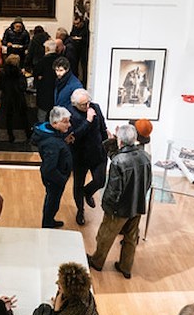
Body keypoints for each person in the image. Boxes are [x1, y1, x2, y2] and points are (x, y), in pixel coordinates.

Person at [87, 124, 152, 278]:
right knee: (131, 238)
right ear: (135, 139)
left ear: (120, 141)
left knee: (105, 235)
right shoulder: (145, 157)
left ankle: (97, 261)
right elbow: (148, 182)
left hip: (119, 209)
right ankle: (126, 267)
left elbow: (113, 190)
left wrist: (107, 207)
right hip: (138, 204)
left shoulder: (118, 162)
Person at [68, 89, 109, 226]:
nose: (87, 106)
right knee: (78, 184)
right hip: (80, 155)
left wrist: (107, 143)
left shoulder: (95, 107)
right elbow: (74, 135)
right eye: (83, 105)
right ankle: (80, 210)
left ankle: (88, 192)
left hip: (98, 152)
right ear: (75, 104)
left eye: (88, 102)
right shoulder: (70, 113)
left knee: (100, 181)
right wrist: (88, 120)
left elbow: (102, 127)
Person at [31, 106, 72, 228]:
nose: (69, 125)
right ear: (55, 123)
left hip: (56, 176)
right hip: (55, 178)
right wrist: (62, 179)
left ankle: (50, 220)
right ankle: (47, 225)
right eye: (65, 122)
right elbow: (49, 169)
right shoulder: (51, 143)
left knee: (53, 200)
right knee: (52, 201)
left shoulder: (52, 135)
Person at [0, 54, 31, 143]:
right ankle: (28, 133)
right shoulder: (20, 73)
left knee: (9, 117)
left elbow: (0, 85)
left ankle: (10, 136)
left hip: (7, 97)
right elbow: (23, 86)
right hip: (18, 97)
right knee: (24, 116)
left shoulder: (2, 72)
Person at [33, 39, 60, 122]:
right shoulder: (60, 60)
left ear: (47, 49)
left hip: (44, 92)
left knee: (42, 115)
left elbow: (36, 73)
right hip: (57, 93)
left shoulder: (43, 61)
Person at [70, 15, 90, 86]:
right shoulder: (74, 27)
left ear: (82, 22)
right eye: (74, 24)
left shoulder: (87, 27)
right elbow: (71, 35)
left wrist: (81, 39)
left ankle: (85, 82)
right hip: (75, 48)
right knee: (74, 65)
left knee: (84, 66)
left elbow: (88, 39)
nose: (76, 25)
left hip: (84, 48)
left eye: (77, 24)